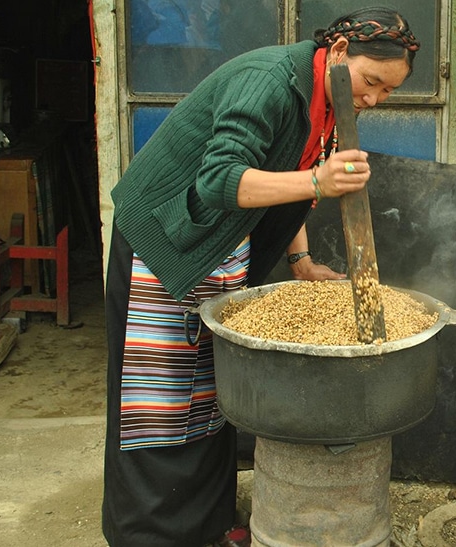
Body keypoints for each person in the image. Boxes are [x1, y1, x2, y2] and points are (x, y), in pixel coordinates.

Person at [100, 7, 419, 546]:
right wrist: (320, 181)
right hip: (166, 240)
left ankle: (206, 526)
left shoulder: (327, 96)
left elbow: (285, 173)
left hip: (223, 242)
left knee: (208, 396)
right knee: (158, 403)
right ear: (339, 51)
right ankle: (149, 534)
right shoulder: (267, 81)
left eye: (386, 94)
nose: (371, 100)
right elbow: (223, 181)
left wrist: (300, 260)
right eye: (370, 83)